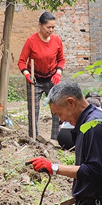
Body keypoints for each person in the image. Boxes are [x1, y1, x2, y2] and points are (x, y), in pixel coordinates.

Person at [18, 12, 66, 140]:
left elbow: (61, 60)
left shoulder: (57, 41)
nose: (50, 30)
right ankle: (33, 138)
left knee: (56, 109)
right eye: (48, 27)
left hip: (51, 79)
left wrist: (58, 72)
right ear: (40, 25)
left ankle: (55, 139)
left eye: (53, 27)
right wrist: (27, 74)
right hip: (34, 80)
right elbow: (22, 61)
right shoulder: (31, 41)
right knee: (33, 111)